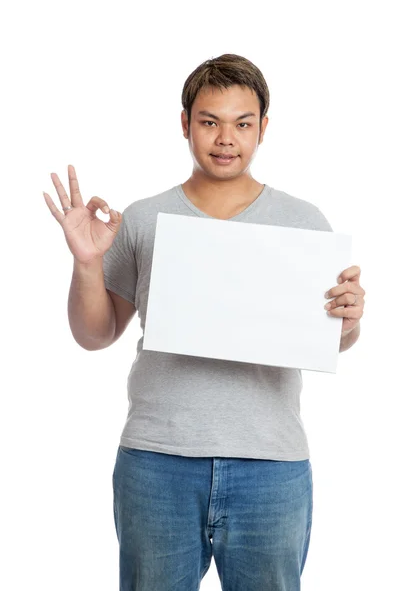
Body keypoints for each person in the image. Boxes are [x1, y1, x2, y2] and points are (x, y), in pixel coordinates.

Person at [43, 54, 364, 591]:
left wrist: (349, 318)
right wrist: (86, 263)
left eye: (242, 123)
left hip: (271, 463)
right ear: (185, 123)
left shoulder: (304, 222)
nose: (225, 138)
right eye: (209, 121)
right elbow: (94, 333)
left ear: (263, 128)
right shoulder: (143, 218)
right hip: (157, 461)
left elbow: (332, 337)